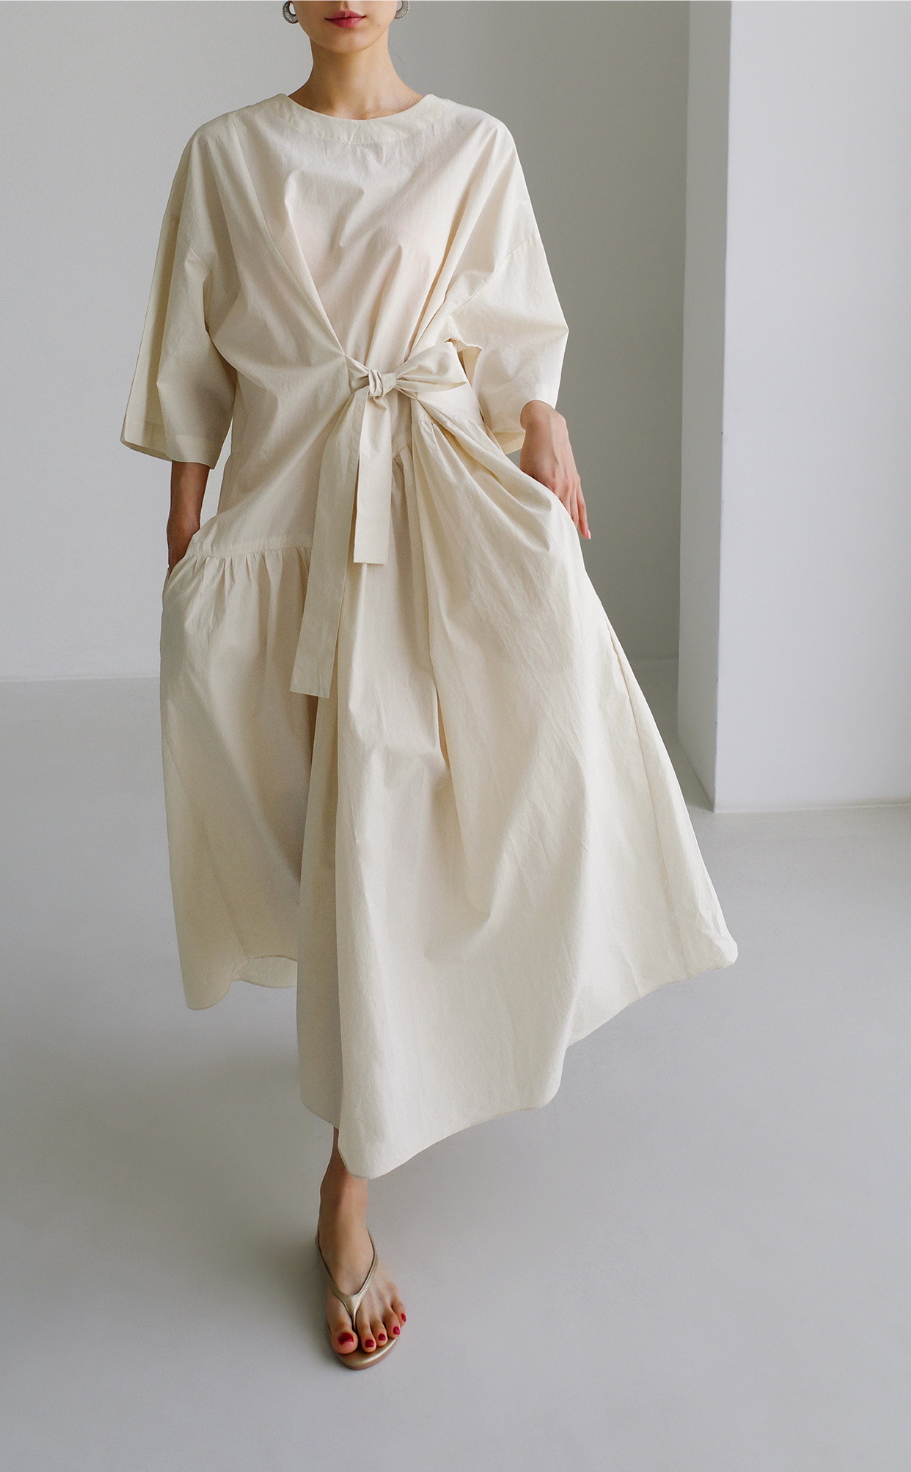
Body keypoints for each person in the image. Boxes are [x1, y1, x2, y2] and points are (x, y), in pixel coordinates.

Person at [121, 0, 737, 1369]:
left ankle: (348, 1186)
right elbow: (191, 355)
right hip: (291, 521)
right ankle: (385, 1073)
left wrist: (549, 429)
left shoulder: (473, 146)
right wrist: (184, 524)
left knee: (417, 825)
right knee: (330, 834)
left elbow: (514, 334)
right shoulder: (227, 154)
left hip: (442, 512)